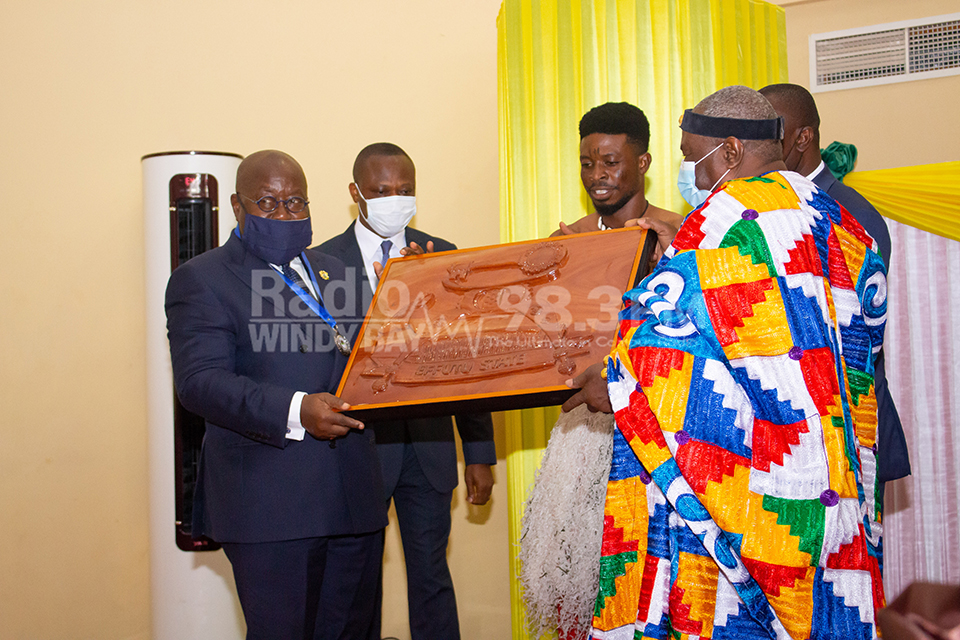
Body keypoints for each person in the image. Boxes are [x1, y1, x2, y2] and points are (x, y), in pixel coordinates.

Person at [573, 86, 887, 638]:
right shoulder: (838, 219)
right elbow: (864, 340)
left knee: (731, 614)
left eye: (692, 157)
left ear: (732, 151)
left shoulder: (723, 222)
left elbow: (657, 346)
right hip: (832, 475)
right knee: (828, 606)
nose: (691, 175)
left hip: (754, 481)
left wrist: (608, 380)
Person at [165, 150, 387, 640]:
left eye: (296, 202)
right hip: (271, 508)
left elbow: (374, 357)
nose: (285, 214)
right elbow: (200, 381)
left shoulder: (337, 273)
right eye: (268, 202)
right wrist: (296, 410)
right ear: (237, 207)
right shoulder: (202, 279)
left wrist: (417, 296)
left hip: (354, 500)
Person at [316, 142, 497, 640]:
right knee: (355, 584)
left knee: (432, 577)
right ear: (355, 193)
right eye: (381, 191)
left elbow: (467, 360)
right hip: (356, 447)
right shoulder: (320, 262)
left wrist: (479, 453)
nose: (394, 200)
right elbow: (320, 361)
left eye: (405, 190)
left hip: (429, 447)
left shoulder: (443, 254)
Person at [519, 102, 680, 640]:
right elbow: (540, 339)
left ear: (643, 162)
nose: (597, 175)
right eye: (587, 164)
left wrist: (668, 262)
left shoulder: (678, 234)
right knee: (579, 575)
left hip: (656, 425)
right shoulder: (569, 239)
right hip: (585, 431)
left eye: (610, 162)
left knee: (651, 576)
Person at [759, 82, 910, 487]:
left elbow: (850, 329)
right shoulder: (765, 208)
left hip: (850, 428)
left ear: (803, 137)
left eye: (771, 134)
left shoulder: (851, 215)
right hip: (793, 429)